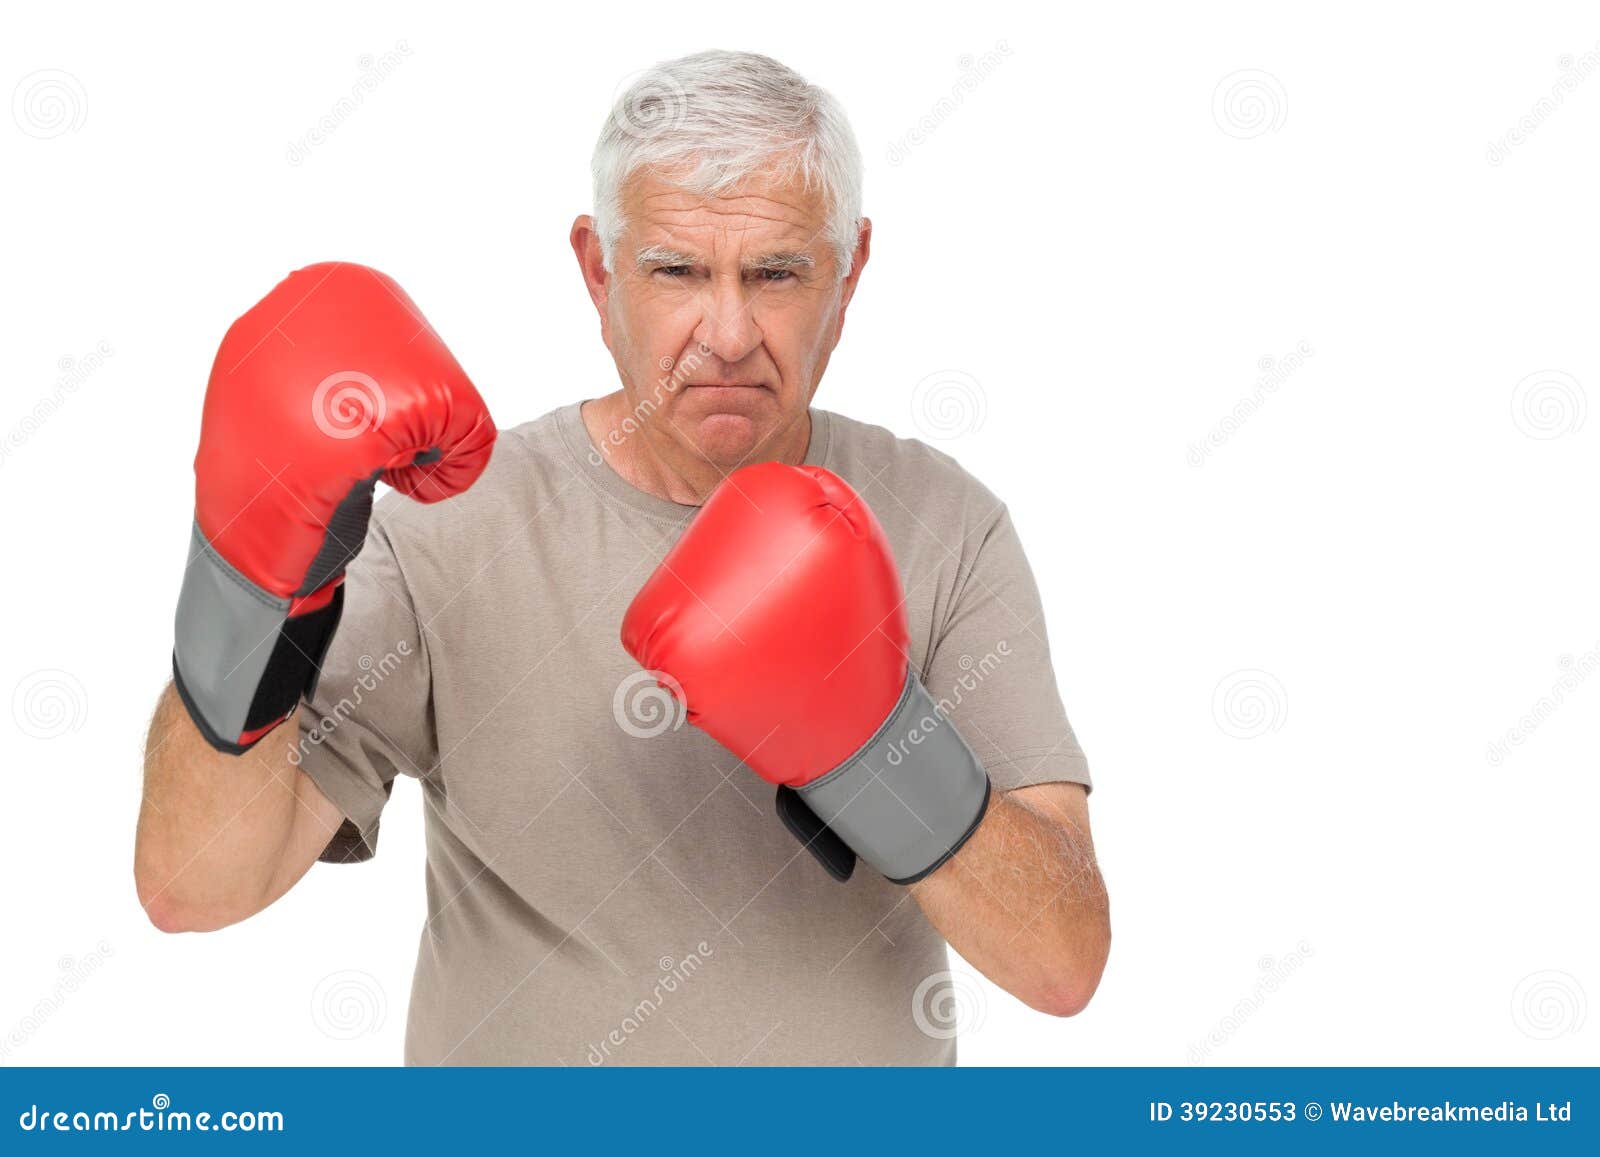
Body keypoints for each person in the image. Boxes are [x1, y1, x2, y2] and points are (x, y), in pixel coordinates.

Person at [136, 49, 1110, 1065]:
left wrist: (875, 743)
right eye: (677, 270)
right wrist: (248, 581)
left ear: (850, 271)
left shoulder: (945, 522)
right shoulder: (451, 520)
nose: (726, 333)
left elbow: (1062, 963)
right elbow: (192, 886)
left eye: (775, 272)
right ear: (598, 268)